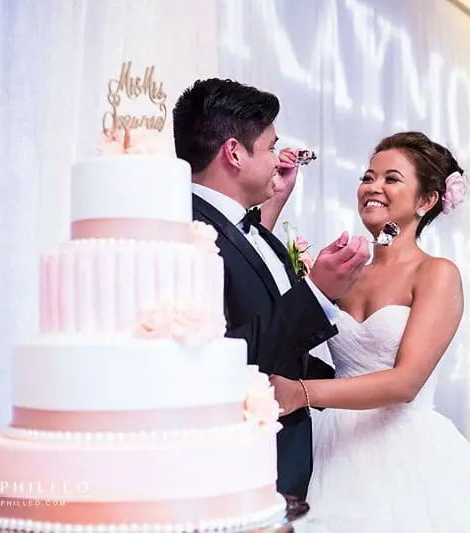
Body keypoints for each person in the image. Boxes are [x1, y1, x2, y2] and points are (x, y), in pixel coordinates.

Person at [270, 132, 470, 531]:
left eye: (391, 178)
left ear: (427, 200)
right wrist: (276, 202)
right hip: (331, 447)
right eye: (368, 177)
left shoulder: (436, 273)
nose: (373, 187)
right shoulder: (343, 272)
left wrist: (300, 393)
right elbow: (279, 319)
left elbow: (406, 383)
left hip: (404, 453)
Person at [172, 78, 370, 500]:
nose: (277, 158)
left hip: (288, 465)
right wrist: (318, 291)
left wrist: (359, 388)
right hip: (236, 473)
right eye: (269, 147)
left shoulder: (250, 230)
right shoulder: (184, 231)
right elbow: (221, 356)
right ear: (234, 152)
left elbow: (279, 336)